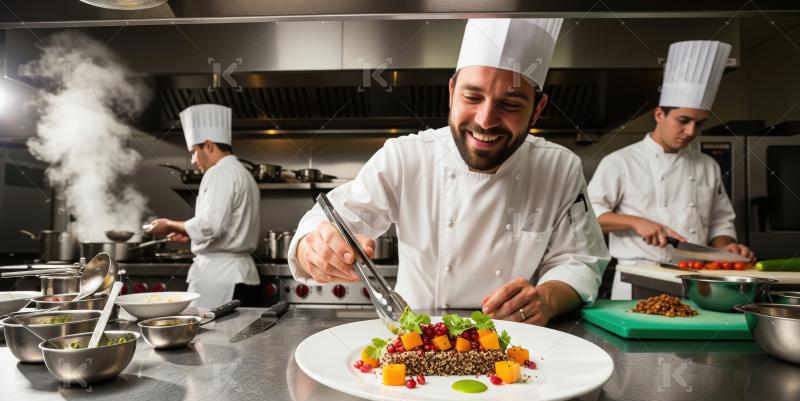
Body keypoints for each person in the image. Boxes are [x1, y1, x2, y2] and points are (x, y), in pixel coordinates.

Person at [288, 19, 609, 326]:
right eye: (472, 97)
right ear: (452, 90)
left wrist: (547, 299)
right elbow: (331, 220)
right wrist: (313, 249)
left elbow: (580, 260)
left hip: (516, 347)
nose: (486, 120)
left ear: (537, 109)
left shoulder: (559, 168)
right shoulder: (406, 156)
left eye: (510, 104)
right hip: (417, 343)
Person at [588, 40, 756, 299]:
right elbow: (590, 216)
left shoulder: (707, 165)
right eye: (683, 121)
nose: (691, 132)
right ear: (659, 114)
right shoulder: (620, 162)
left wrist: (728, 248)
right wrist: (637, 222)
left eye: (699, 124)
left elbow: (720, 223)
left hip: (697, 279)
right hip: (638, 278)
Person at [148, 104, 261, 308]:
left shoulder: (218, 172)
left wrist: (170, 225)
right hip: (239, 275)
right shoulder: (243, 173)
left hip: (220, 278)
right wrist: (189, 232)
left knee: (212, 337)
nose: (192, 160)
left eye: (193, 151)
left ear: (208, 145)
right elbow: (222, 225)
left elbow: (211, 225)